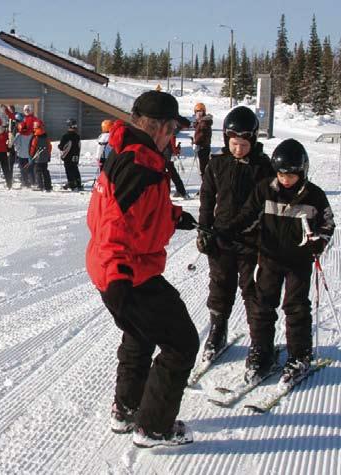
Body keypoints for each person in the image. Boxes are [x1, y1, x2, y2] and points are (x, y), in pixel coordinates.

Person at [86, 90, 198, 448]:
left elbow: (137, 213)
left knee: (140, 333)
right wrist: (119, 275)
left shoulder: (133, 152)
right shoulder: (139, 164)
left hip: (121, 267)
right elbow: (113, 223)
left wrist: (174, 216)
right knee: (181, 343)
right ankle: (154, 426)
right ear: (162, 127)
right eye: (173, 130)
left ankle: (127, 408)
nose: (174, 137)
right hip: (127, 272)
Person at [217, 139, 335, 385]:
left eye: (291, 175)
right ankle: (262, 350)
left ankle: (299, 354)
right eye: (281, 174)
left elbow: (328, 224)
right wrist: (229, 229)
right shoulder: (265, 189)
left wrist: (319, 242)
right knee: (262, 306)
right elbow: (248, 215)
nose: (285, 179)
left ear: (302, 172)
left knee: (296, 307)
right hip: (269, 258)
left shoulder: (314, 195)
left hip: (298, 262)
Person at [196, 105, 274, 365]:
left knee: (253, 290)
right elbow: (207, 199)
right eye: (233, 143)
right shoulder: (217, 164)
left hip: (253, 239)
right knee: (220, 284)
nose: (238, 149)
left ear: (252, 140)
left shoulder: (264, 168)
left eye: (243, 144)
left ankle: (260, 341)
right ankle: (218, 330)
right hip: (221, 236)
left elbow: (270, 204)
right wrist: (204, 230)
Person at [59, 119, 82, 190]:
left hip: (68, 156)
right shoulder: (77, 136)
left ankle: (72, 184)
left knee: (69, 170)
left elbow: (61, 146)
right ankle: (78, 183)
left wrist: (59, 146)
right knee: (75, 169)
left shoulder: (65, 136)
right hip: (76, 156)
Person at [163, 133, 189, 199]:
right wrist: (176, 150)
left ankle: (181, 191)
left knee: (170, 174)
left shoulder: (166, 131)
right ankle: (181, 191)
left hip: (165, 155)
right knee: (172, 174)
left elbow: (172, 143)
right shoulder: (166, 131)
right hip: (165, 154)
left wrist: (175, 151)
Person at [29, 120, 53, 192]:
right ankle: (48, 186)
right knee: (45, 171)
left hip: (37, 158)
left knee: (38, 171)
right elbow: (49, 146)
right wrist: (48, 154)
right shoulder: (45, 136)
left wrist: (31, 155)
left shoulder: (35, 137)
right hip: (45, 157)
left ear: (35, 127)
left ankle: (40, 185)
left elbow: (33, 147)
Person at [192, 102, 213, 176]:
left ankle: (206, 184)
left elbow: (201, 134)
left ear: (203, 112)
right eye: (197, 112)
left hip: (203, 147)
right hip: (203, 147)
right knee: (203, 167)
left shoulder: (204, 122)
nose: (198, 113)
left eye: (200, 111)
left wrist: (196, 143)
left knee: (204, 169)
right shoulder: (201, 122)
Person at [13, 121, 33, 187]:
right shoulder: (31, 134)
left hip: (21, 155)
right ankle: (32, 181)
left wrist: (17, 150)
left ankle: (25, 182)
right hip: (29, 155)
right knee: (30, 169)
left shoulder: (19, 135)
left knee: (22, 169)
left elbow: (15, 144)